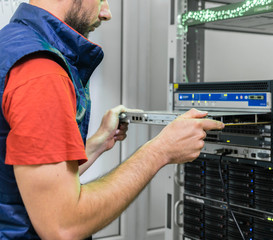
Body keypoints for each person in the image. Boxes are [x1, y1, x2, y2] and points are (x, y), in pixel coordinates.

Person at [0, 0, 224, 239]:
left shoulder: (11, 44)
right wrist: (160, 151)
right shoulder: (41, 71)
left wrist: (97, 144)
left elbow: (22, 180)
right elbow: (63, 226)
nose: (106, 13)